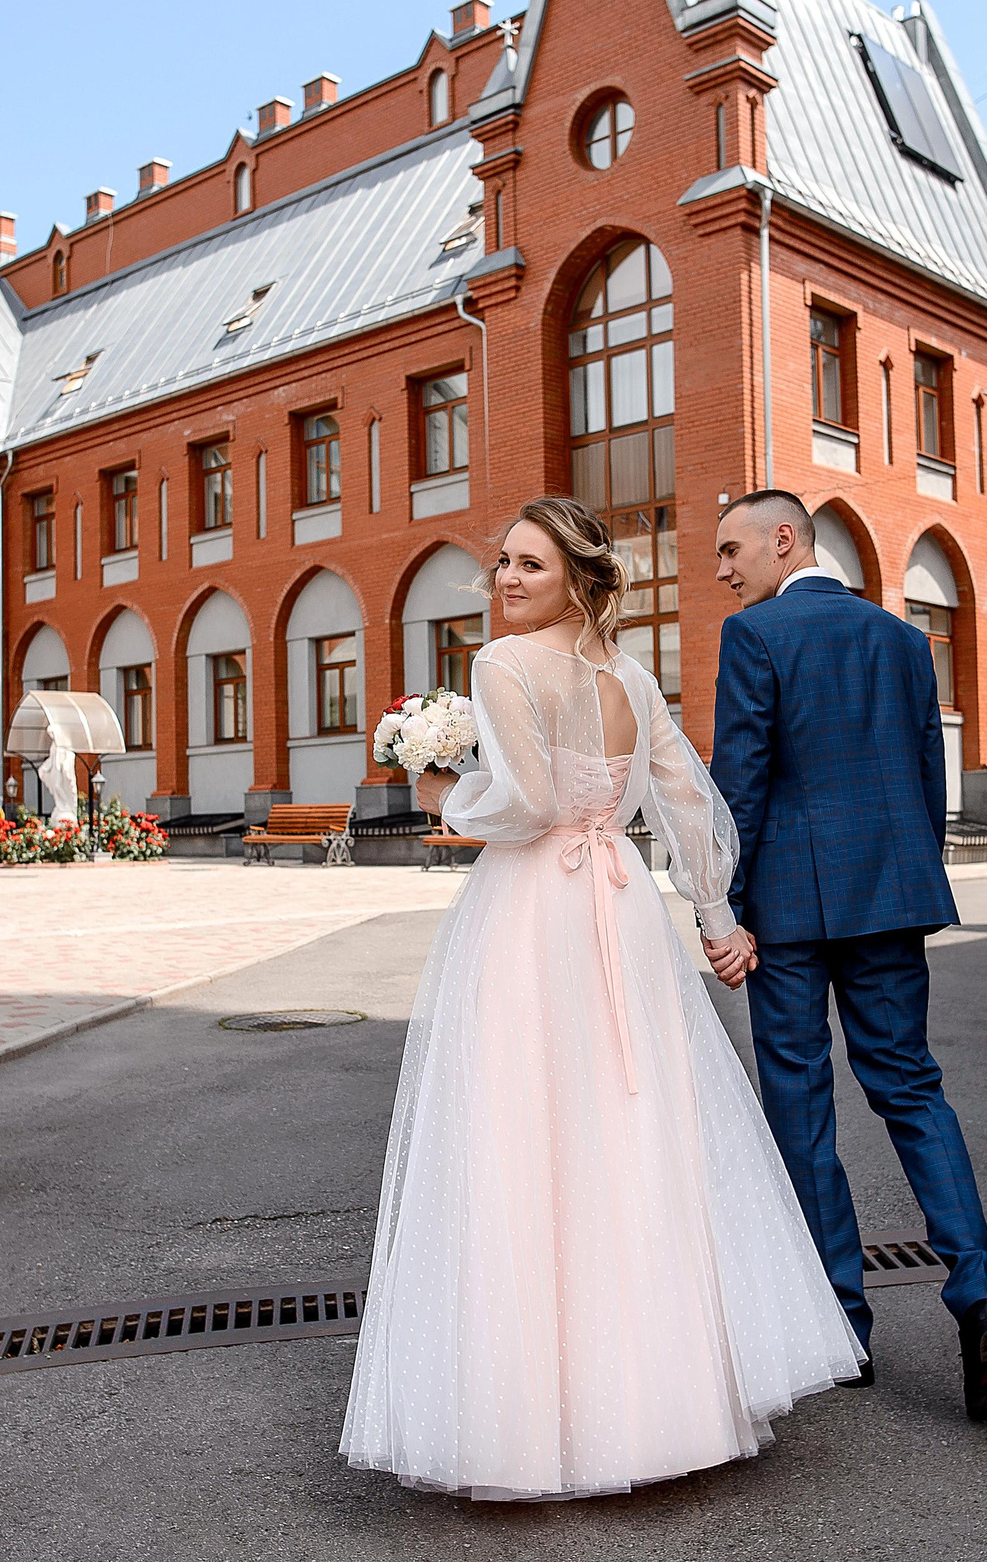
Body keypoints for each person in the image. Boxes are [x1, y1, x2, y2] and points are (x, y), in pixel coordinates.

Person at [342, 497, 862, 1500]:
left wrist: (448, 795)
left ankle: (532, 1414)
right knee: (631, 1132)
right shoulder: (629, 676)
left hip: (535, 908)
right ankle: (662, 1400)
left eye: (529, 563)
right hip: (618, 913)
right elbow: (684, 796)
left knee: (524, 1135)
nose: (505, 577)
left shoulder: (500, 665)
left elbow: (529, 803)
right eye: (501, 561)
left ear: (578, 576)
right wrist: (713, 918)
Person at [707, 489, 987, 1421]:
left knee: (802, 1103)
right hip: (889, 893)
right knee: (912, 1087)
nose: (724, 571)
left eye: (732, 550)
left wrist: (722, 902)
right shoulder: (901, 639)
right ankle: (982, 1294)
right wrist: (905, 877)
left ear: (782, 540)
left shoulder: (756, 637)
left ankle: (842, 1321)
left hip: (790, 911)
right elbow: (928, 775)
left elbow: (742, 781)